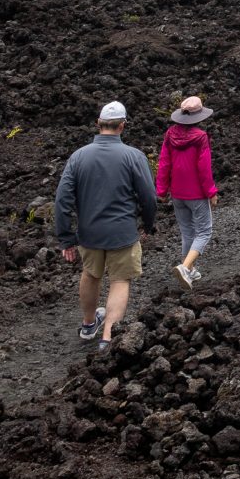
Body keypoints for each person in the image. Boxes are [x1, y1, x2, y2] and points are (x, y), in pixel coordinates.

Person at [55, 100, 159, 351]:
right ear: (123, 126)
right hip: (122, 233)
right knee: (120, 280)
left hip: (89, 234)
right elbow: (148, 197)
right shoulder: (133, 156)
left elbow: (62, 200)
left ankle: (89, 324)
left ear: (98, 124)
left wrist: (66, 238)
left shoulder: (78, 157)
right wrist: (148, 224)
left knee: (91, 274)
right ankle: (108, 337)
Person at [155, 95, 219, 289]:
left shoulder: (170, 134)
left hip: (177, 193)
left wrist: (161, 189)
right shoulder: (200, 137)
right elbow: (204, 167)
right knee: (204, 232)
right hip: (196, 193)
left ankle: (189, 271)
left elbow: (164, 162)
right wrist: (211, 192)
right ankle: (184, 267)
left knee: (187, 232)